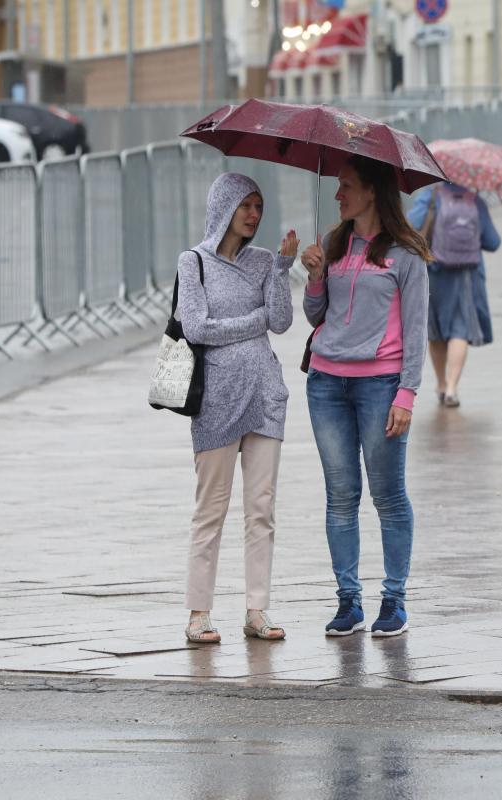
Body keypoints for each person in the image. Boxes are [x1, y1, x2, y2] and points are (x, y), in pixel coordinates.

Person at [298, 155, 431, 637]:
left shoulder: (406, 255)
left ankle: (393, 602)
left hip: (381, 386)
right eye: (336, 187)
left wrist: (407, 395)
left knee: (388, 496)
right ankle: (347, 602)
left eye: (347, 186)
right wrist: (314, 277)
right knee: (340, 496)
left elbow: (416, 332)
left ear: (373, 191)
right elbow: (318, 316)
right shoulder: (335, 244)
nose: (338, 195)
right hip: (327, 384)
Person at [176, 172, 297, 644]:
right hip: (216, 403)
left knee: (261, 509)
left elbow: (282, 322)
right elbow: (196, 327)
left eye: (258, 207)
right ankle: (198, 612)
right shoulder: (194, 263)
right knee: (211, 509)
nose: (253, 215)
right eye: (245, 205)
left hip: (265, 395)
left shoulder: (266, 262)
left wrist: (285, 270)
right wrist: (254, 322)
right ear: (223, 207)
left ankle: (257, 608)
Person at [406, 181, 501, 408]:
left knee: (435, 331)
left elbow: (410, 227)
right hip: (467, 276)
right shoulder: (475, 200)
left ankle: (440, 383)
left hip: (433, 272)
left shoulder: (429, 196)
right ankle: (452, 388)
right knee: (460, 329)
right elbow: (493, 242)